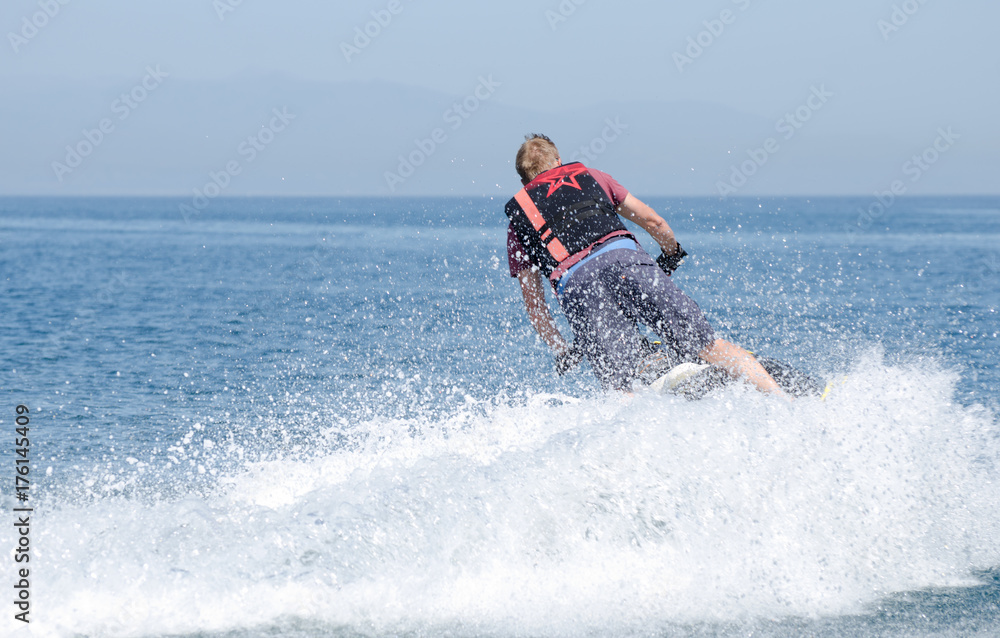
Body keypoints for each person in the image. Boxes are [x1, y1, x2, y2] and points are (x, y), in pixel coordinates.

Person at [505, 133, 785, 396]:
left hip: (578, 286)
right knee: (707, 345)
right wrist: (671, 253)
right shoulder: (592, 176)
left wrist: (562, 349)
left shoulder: (519, 219)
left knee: (619, 387)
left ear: (523, 181)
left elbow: (535, 306)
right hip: (628, 261)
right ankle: (784, 402)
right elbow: (654, 222)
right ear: (558, 161)